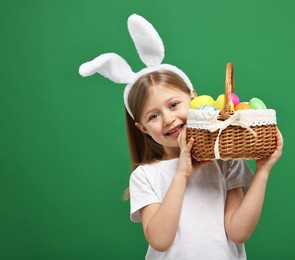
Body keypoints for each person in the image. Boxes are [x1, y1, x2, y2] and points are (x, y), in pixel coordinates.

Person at [79, 14, 283, 259]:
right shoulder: (145, 176)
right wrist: (181, 175)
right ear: (142, 128)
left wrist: (262, 170)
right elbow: (160, 240)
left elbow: (238, 233)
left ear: (194, 99)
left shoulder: (225, 161)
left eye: (174, 105)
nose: (168, 119)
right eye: (153, 116)